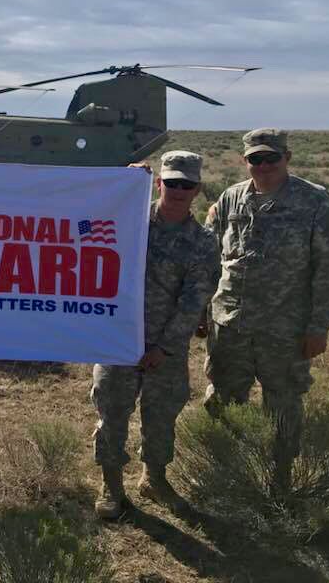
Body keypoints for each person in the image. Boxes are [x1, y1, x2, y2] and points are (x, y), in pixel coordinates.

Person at [203, 128, 329, 489]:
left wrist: (319, 325)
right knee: (224, 400)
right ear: (245, 160)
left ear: (287, 157)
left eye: (272, 158)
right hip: (230, 326)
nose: (264, 165)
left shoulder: (314, 201)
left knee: (283, 406)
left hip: (285, 330)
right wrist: (200, 312)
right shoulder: (230, 199)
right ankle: (228, 474)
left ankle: (279, 479)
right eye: (256, 159)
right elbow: (206, 256)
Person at [92, 151, 219, 519]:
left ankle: (154, 478)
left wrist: (164, 346)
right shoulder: (128, 219)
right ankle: (111, 485)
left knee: (161, 415)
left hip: (167, 346)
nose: (178, 190)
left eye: (187, 184)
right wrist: (122, 182)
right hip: (118, 339)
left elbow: (195, 299)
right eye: (171, 182)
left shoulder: (201, 242)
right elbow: (85, 220)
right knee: (112, 411)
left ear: (197, 189)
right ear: (158, 183)